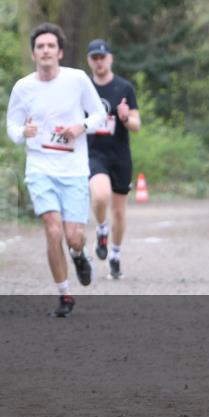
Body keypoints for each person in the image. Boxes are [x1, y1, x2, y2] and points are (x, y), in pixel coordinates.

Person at [7, 23, 106, 317]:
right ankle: (65, 295)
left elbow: (100, 112)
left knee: (73, 235)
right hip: (39, 168)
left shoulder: (77, 80)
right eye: (40, 47)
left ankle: (78, 253)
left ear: (60, 52)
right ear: (34, 54)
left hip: (73, 169)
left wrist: (82, 126)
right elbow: (11, 127)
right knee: (52, 231)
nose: (46, 51)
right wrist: (23, 132)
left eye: (51, 46)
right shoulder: (23, 87)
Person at [85, 39, 141, 280]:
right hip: (93, 153)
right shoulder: (83, 87)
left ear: (110, 58)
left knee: (119, 211)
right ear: (89, 61)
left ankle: (115, 256)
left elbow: (137, 125)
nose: (99, 62)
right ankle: (101, 229)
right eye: (94, 58)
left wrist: (126, 118)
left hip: (119, 154)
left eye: (102, 57)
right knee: (99, 195)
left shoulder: (124, 87)